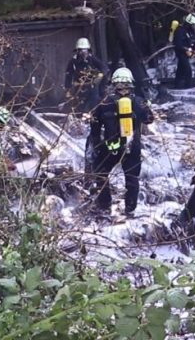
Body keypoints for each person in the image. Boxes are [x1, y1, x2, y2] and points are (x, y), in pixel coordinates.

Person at [86, 67, 154, 219]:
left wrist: (96, 146)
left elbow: (94, 127)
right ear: (131, 84)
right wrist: (146, 105)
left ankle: (105, 206)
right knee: (132, 178)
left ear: (114, 84)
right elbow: (149, 120)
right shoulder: (139, 102)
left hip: (111, 147)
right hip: (132, 147)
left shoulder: (104, 102)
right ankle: (130, 210)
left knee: (100, 172)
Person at [64, 37, 107, 115]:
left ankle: (94, 118)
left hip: (92, 87)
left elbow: (104, 67)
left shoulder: (92, 59)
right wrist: (68, 89)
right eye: (81, 50)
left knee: (94, 104)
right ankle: (80, 119)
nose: (83, 52)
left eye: (85, 50)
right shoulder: (73, 61)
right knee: (80, 106)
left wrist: (100, 75)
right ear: (77, 50)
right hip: (79, 88)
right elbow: (68, 75)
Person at [172, 13, 195, 89]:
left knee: (180, 68)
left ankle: (177, 85)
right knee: (188, 69)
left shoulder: (191, 31)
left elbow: (193, 40)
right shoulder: (180, 30)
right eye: (194, 24)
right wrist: (187, 50)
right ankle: (188, 87)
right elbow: (178, 44)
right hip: (181, 52)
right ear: (189, 23)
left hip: (187, 52)